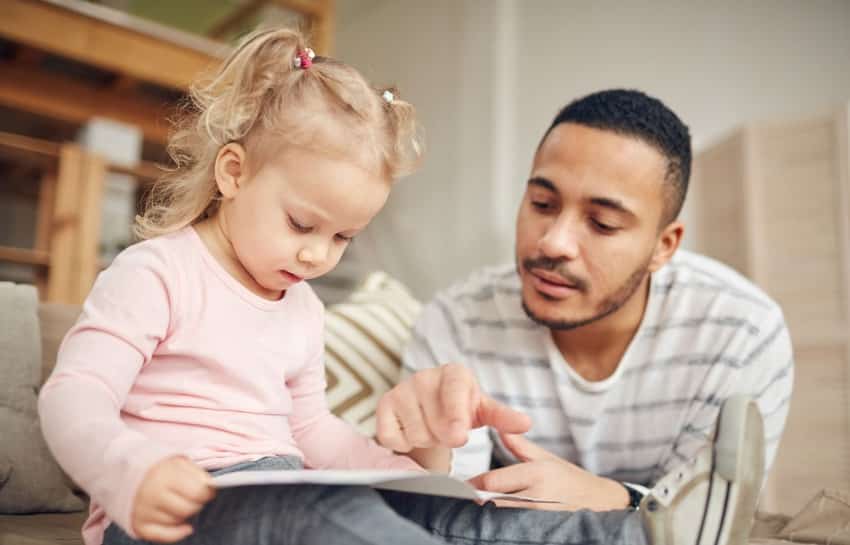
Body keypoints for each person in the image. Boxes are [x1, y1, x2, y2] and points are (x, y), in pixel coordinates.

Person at [38, 32, 769, 544]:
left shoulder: (299, 306)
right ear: (233, 175)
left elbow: (312, 432)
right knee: (331, 527)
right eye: (303, 222)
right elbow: (73, 396)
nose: (319, 254)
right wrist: (130, 471)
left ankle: (642, 535)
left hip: (286, 485)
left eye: (343, 238)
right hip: (174, 511)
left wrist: (417, 480)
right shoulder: (156, 272)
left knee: (467, 516)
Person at [378, 89, 793, 512]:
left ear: (663, 247)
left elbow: (709, 517)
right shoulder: (456, 320)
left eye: (602, 223)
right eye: (542, 203)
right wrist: (428, 451)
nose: (553, 242)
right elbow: (449, 510)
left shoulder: (743, 333)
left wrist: (611, 498)